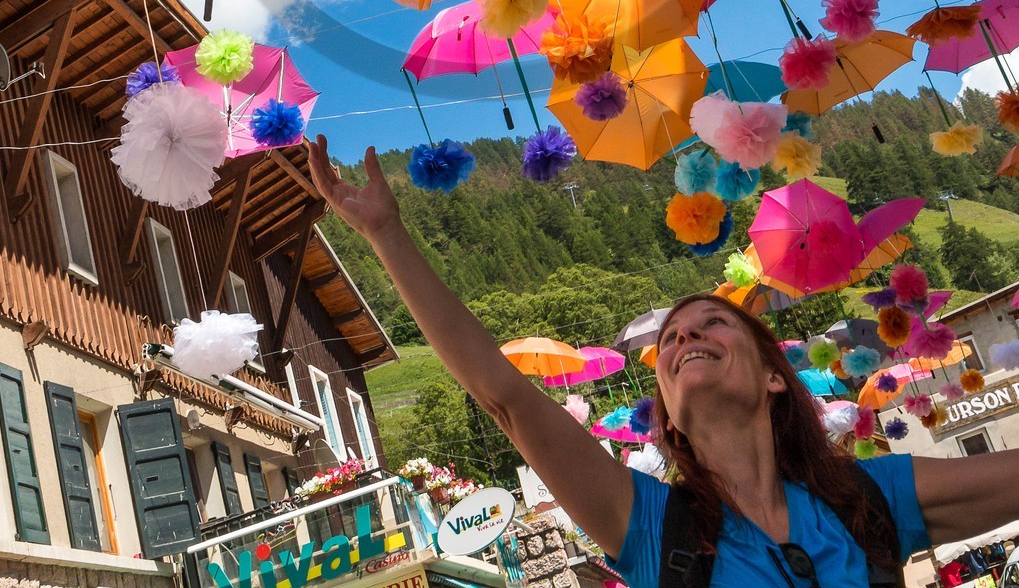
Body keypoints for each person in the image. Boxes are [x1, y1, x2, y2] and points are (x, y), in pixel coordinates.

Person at [307, 137, 1019, 588]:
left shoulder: (873, 499)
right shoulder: (649, 525)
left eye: (713, 323)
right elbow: (507, 399)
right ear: (666, 411)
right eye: (672, 338)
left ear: (776, 375)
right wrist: (386, 234)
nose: (685, 337)